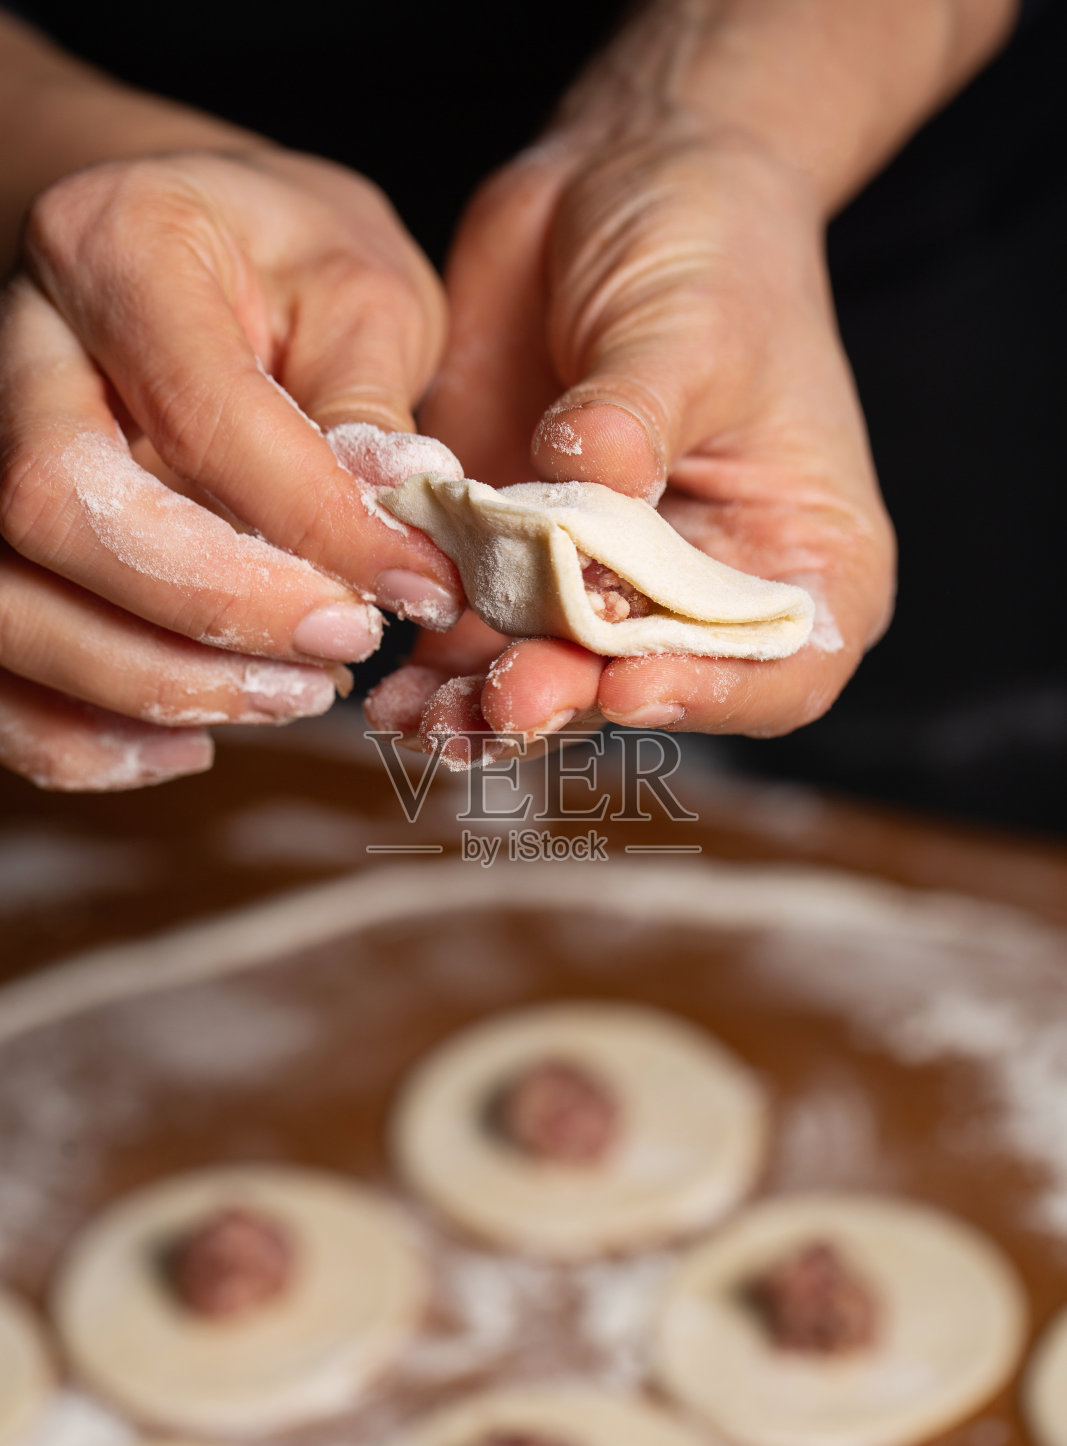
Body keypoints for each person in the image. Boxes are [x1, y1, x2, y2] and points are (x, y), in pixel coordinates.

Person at [0, 0, 1058, 827]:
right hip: (184, 338)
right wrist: (57, 166)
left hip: (859, 266)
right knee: (320, 783)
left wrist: (701, 126)